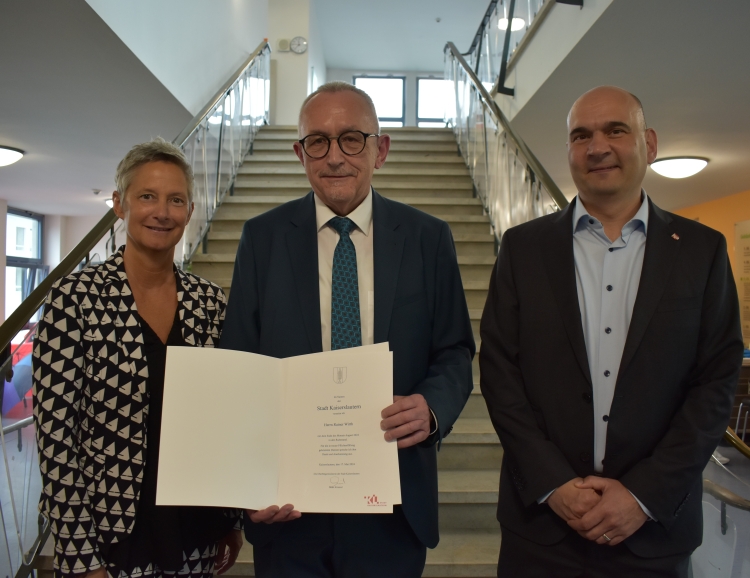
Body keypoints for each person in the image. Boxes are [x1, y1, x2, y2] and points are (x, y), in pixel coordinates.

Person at [480, 86, 743, 577]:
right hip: (541, 528)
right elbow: (499, 373)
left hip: (653, 533)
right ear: (569, 152)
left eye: (615, 131)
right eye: (581, 135)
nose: (596, 146)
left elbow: (715, 383)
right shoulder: (522, 249)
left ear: (650, 144)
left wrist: (644, 494)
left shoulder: (702, 252)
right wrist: (554, 484)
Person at [220, 81, 475, 578]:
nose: (334, 156)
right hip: (289, 507)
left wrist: (432, 408)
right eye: (318, 141)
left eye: (352, 139)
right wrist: (248, 483)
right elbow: (239, 368)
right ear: (300, 153)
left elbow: (455, 351)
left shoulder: (428, 238)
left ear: (380, 150)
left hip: (394, 501)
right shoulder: (262, 238)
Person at [33, 139, 244, 578]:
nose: (162, 211)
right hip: (110, 537)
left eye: (176, 199)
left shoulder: (209, 302)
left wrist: (230, 518)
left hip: (195, 530)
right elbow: (56, 439)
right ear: (119, 204)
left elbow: (223, 419)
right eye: (147, 196)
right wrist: (79, 556)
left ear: (189, 211)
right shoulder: (74, 299)